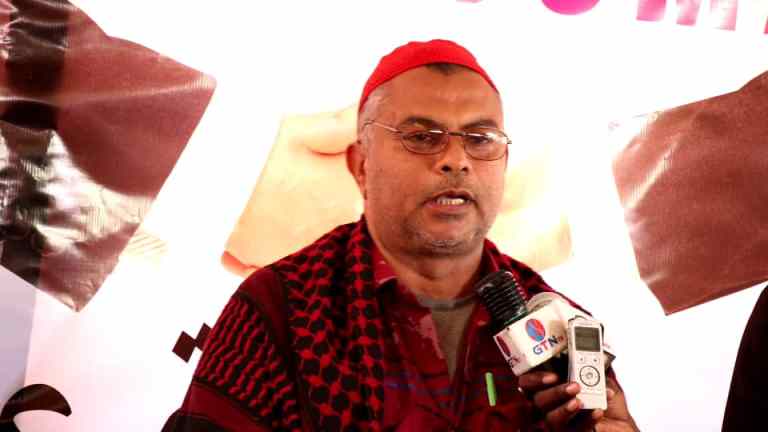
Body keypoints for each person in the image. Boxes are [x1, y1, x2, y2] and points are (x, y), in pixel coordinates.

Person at [166, 39, 639, 431]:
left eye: (480, 139)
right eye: (422, 137)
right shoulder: (278, 309)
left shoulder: (558, 325)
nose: (456, 160)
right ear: (361, 164)